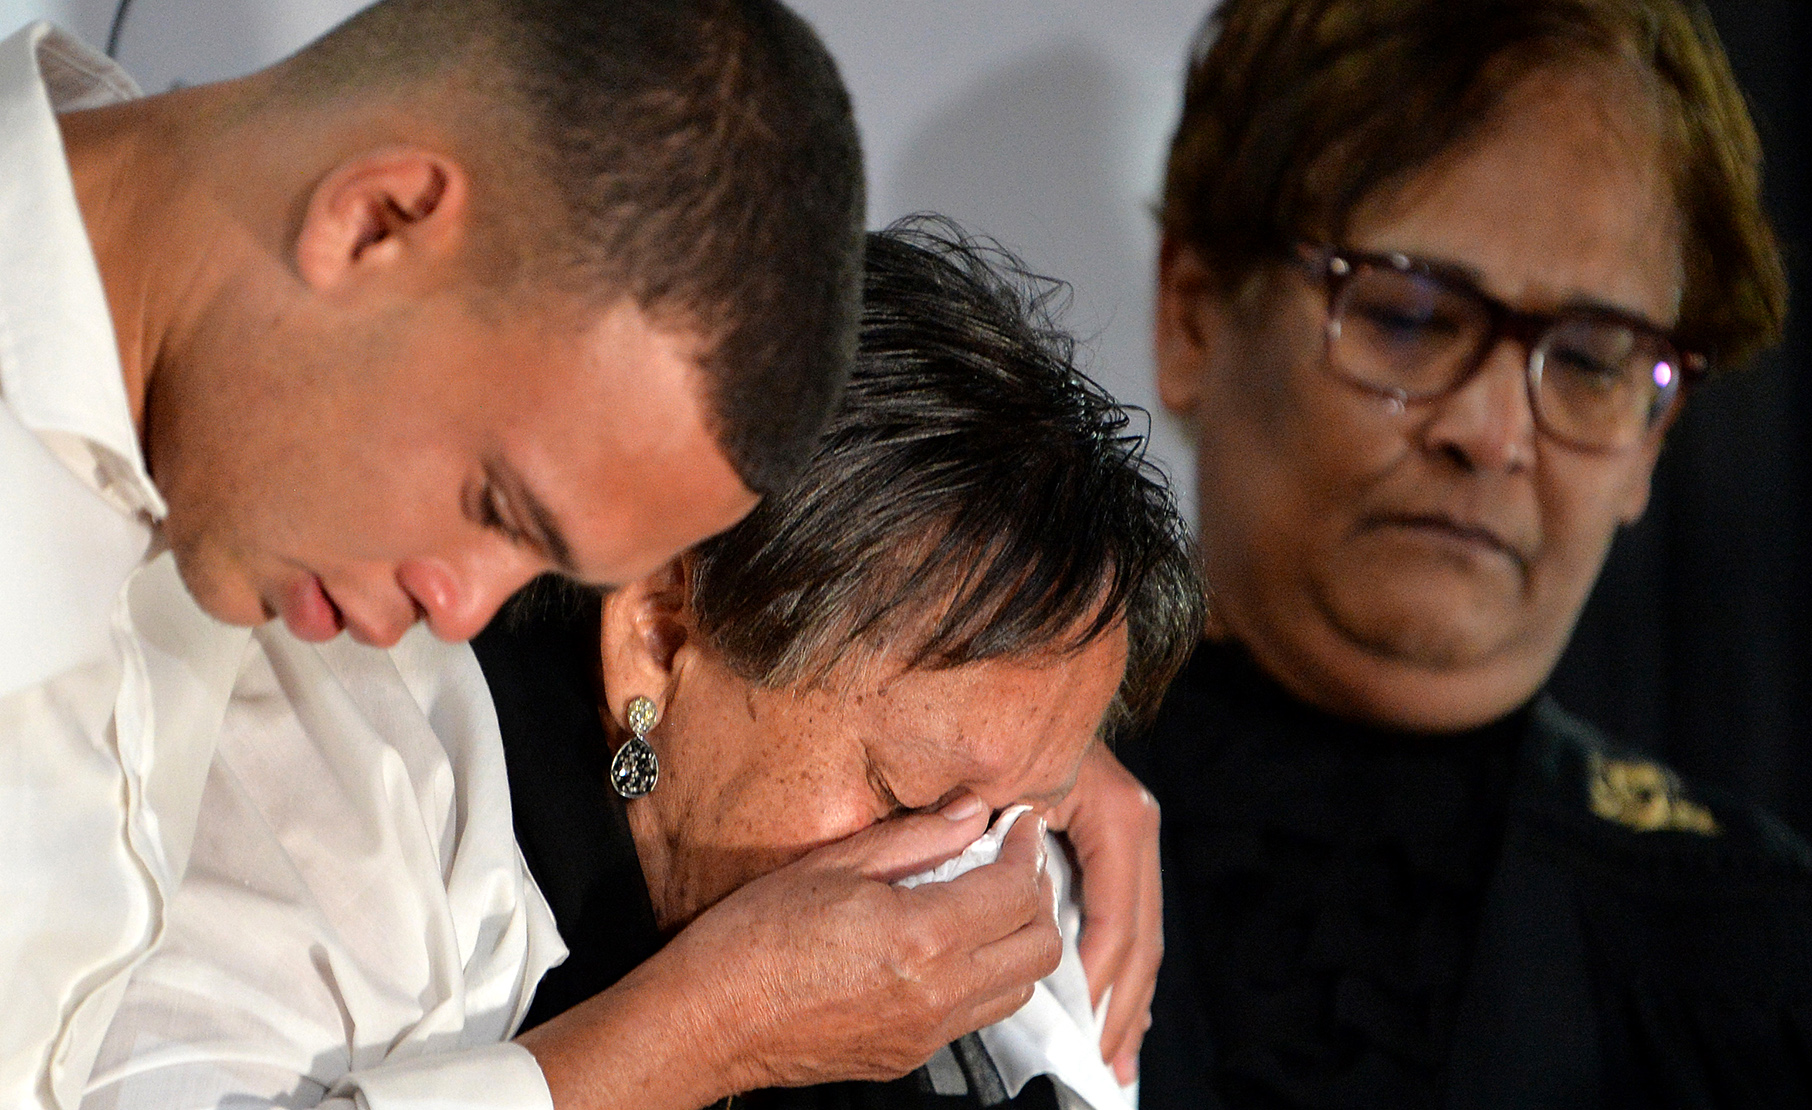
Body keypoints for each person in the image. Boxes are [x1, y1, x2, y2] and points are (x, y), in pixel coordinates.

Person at [4, 4, 1163, 1108]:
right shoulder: (368, 745)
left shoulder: (211, 462)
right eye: (495, 502)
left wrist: (1007, 747)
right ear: (376, 221)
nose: (455, 616)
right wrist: (711, 1027)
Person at [1121, 0, 1812, 1106]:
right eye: (1408, 314)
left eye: (1591, 361)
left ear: (1651, 447)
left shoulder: (1761, 958)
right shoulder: (933, 867)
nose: (1492, 435)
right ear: (1193, 316)